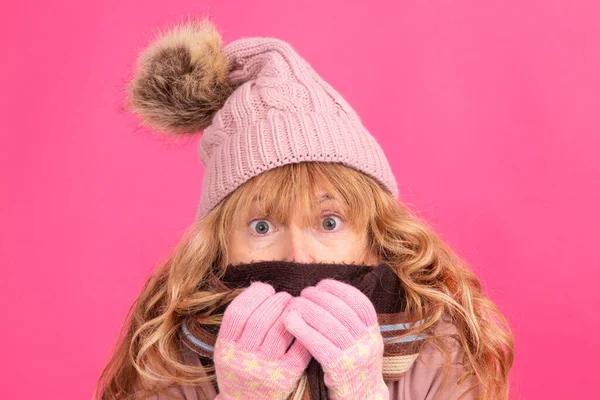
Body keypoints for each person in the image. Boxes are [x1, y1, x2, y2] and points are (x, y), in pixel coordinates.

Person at [95, 16, 514, 400]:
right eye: (262, 227)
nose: (298, 256)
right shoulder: (172, 356)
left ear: (375, 235)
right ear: (218, 245)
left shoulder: (438, 343)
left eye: (329, 222)